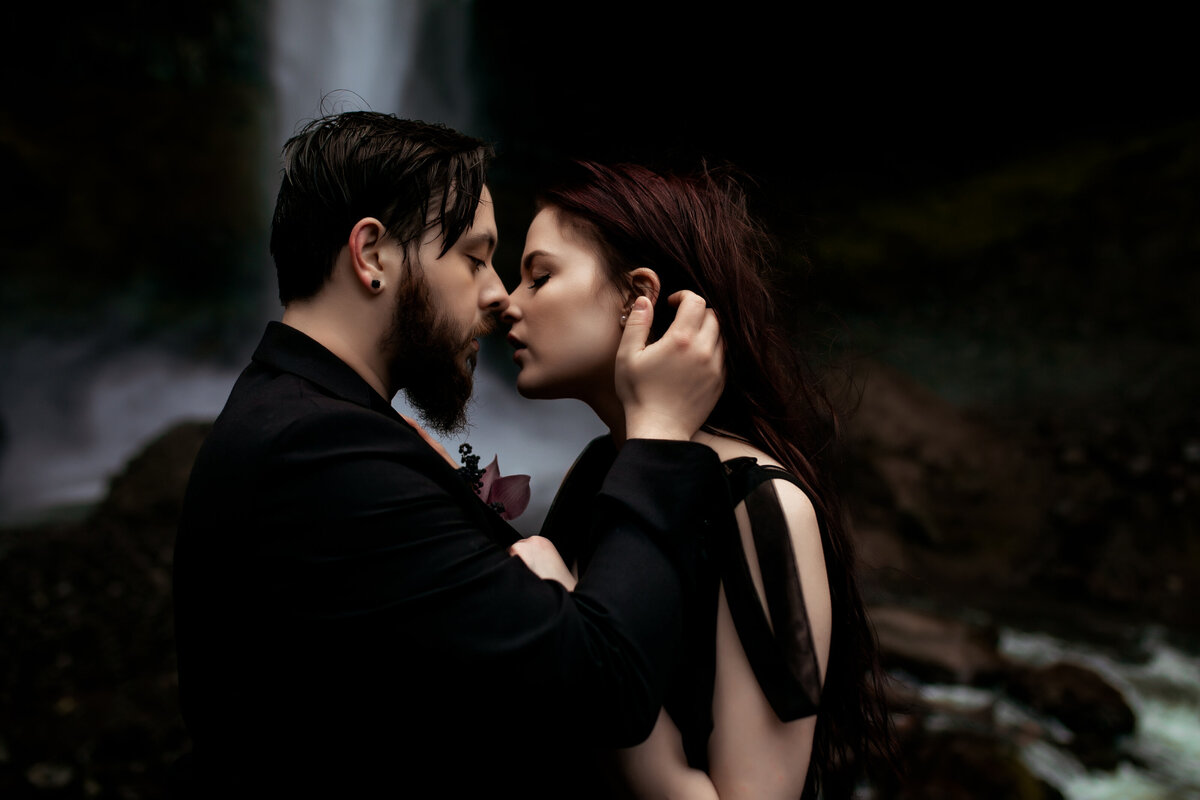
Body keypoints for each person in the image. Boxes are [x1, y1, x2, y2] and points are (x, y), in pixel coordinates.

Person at [170, 112, 730, 797]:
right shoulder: (320, 455)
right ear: (372, 255)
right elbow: (603, 687)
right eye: (473, 258)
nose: (497, 296)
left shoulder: (306, 417)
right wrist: (660, 436)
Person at [504, 160, 896, 798]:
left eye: (539, 277)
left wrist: (566, 617)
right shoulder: (597, 470)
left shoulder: (759, 502)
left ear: (640, 297)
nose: (505, 303)